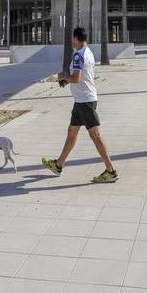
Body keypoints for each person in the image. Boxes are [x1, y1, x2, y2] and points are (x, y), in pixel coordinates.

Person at [42, 26, 118, 183]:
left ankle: (110, 171)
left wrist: (63, 75)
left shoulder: (78, 56)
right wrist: (67, 78)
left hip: (85, 101)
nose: (71, 41)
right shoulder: (88, 52)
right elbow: (80, 77)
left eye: (72, 38)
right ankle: (58, 165)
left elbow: (76, 78)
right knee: (72, 132)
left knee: (95, 135)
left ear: (76, 38)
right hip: (81, 101)